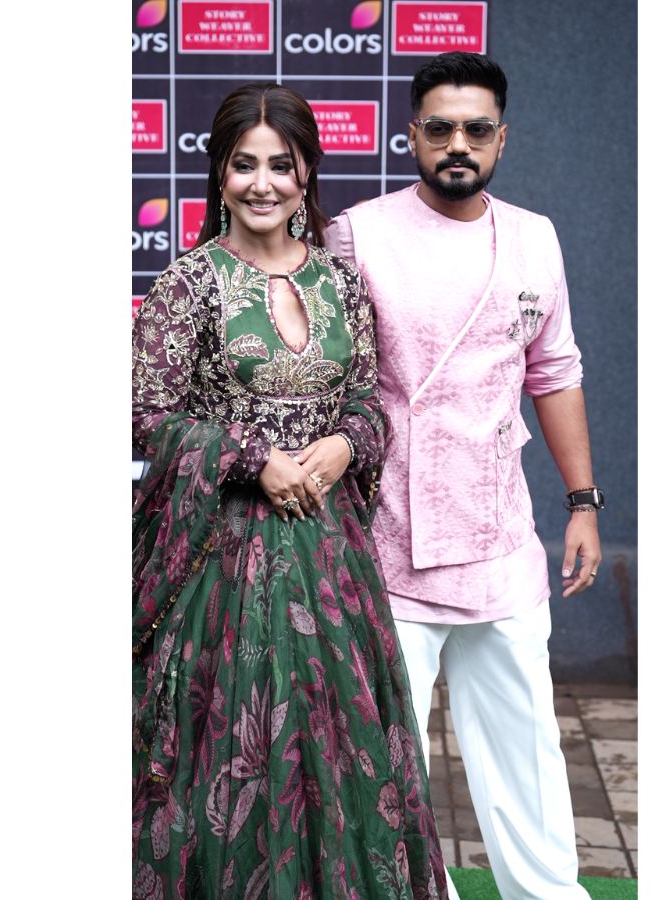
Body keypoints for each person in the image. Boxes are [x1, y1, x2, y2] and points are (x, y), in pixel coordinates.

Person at [132, 82, 448, 900]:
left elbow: (368, 403)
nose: (263, 183)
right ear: (219, 173)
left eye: (281, 165)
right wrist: (250, 457)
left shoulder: (342, 283)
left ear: (307, 173)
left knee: (339, 747)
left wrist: (346, 445)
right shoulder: (189, 285)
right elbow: (145, 415)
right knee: (232, 747)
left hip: (332, 564)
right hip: (221, 567)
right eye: (245, 165)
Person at [325, 53, 604, 900]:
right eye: (440, 128)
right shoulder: (359, 234)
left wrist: (583, 503)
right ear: (411, 134)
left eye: (476, 130)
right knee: (386, 760)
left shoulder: (533, 237)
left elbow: (554, 372)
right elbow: (328, 380)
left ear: (501, 139)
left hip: (498, 534)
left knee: (527, 751)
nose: (458, 144)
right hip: (389, 540)